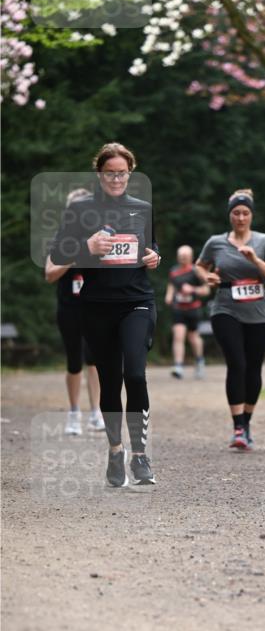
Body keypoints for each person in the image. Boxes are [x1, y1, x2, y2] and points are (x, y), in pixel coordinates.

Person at [49, 142, 160, 488]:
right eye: (110, 173)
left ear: (130, 173)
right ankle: (116, 451)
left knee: (136, 375)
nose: (116, 178)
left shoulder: (142, 208)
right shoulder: (81, 210)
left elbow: (152, 247)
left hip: (137, 300)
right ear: (100, 174)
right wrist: (87, 248)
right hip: (97, 305)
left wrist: (155, 256)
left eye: (122, 173)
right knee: (110, 382)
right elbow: (58, 254)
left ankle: (140, 456)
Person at [195, 189, 265, 450]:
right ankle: (237, 427)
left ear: (251, 216)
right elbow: (201, 266)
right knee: (237, 363)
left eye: (245, 213)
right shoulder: (216, 242)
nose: (241, 217)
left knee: (253, 367)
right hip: (225, 308)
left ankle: (246, 423)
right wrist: (206, 277)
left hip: (258, 312)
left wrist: (255, 259)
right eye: (236, 213)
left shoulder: (264, 241)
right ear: (230, 215)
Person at [44, 187, 105, 435]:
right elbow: (49, 274)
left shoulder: (101, 240)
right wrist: (79, 251)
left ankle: (96, 412)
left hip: (96, 307)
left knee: (95, 360)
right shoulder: (62, 240)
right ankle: (73, 413)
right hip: (69, 307)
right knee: (74, 361)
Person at [165, 245, 209, 379]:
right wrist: (169, 295)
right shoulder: (173, 271)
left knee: (193, 337)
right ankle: (178, 366)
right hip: (179, 309)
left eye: (186, 256)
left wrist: (193, 290)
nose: (183, 258)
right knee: (178, 336)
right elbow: (172, 285)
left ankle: (200, 361)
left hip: (193, 309)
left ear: (191, 257)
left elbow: (206, 290)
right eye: (181, 256)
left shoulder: (196, 271)